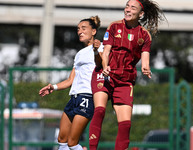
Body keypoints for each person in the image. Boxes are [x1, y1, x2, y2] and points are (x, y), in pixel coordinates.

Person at [89, 0, 166, 150]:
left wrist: (146, 68)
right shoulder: (114, 26)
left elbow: (145, 60)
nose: (128, 10)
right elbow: (106, 51)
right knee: (99, 111)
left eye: (132, 7)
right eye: (127, 6)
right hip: (105, 75)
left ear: (141, 14)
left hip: (125, 81)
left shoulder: (145, 35)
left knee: (125, 125)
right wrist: (105, 66)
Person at [39, 16, 103, 150]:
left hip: (87, 97)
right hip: (74, 97)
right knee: (62, 139)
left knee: (73, 143)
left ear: (94, 31)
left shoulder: (101, 47)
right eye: (78, 29)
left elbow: (102, 64)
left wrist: (97, 51)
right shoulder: (79, 54)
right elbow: (70, 80)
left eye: (84, 28)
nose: (80, 31)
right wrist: (53, 87)